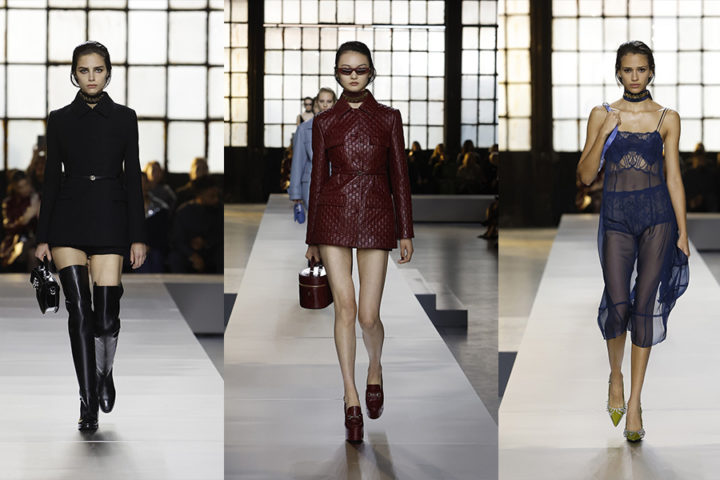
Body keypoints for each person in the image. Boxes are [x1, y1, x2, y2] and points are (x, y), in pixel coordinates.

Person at [576, 40, 689, 443]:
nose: (635, 76)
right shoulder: (602, 114)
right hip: (617, 218)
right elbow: (585, 176)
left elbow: (673, 177)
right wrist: (604, 132)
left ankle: (636, 403)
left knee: (643, 309)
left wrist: (684, 232)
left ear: (651, 71)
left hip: (658, 219)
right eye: (628, 69)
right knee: (618, 304)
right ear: (618, 72)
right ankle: (616, 377)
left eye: (641, 69)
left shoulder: (667, 118)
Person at [34, 41, 148, 432]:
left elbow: (133, 176)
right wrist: (43, 236)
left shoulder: (125, 118)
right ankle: (87, 403)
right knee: (79, 311)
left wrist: (138, 235)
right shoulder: (60, 119)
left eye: (98, 70)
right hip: (68, 219)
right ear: (74, 74)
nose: (91, 77)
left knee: (106, 315)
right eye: (84, 70)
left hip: (111, 219)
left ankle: (104, 370)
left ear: (108, 73)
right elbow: (51, 180)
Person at [305, 41, 414, 444]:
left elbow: (400, 175)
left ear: (371, 72)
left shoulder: (388, 118)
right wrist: (312, 237)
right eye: (346, 70)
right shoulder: (324, 122)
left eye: (360, 69)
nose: (353, 76)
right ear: (337, 73)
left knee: (369, 315)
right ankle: (350, 396)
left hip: (376, 213)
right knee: (346, 308)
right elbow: (318, 179)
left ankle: (375, 367)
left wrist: (406, 229)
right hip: (333, 215)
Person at [288, 87, 337, 211]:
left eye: (329, 101)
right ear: (317, 103)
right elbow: (298, 162)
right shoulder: (304, 129)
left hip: (336, 182)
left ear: (334, 103)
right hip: (311, 182)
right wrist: (295, 193)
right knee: (315, 219)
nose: (325, 105)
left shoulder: (342, 128)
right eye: (321, 101)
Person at [0, 170, 39, 271]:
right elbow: (8, 227)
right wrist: (25, 219)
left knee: (35, 251)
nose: (25, 189)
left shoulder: (36, 198)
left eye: (26, 185)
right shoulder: (9, 203)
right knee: (30, 252)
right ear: (15, 188)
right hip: (16, 242)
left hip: (37, 240)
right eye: (21, 187)